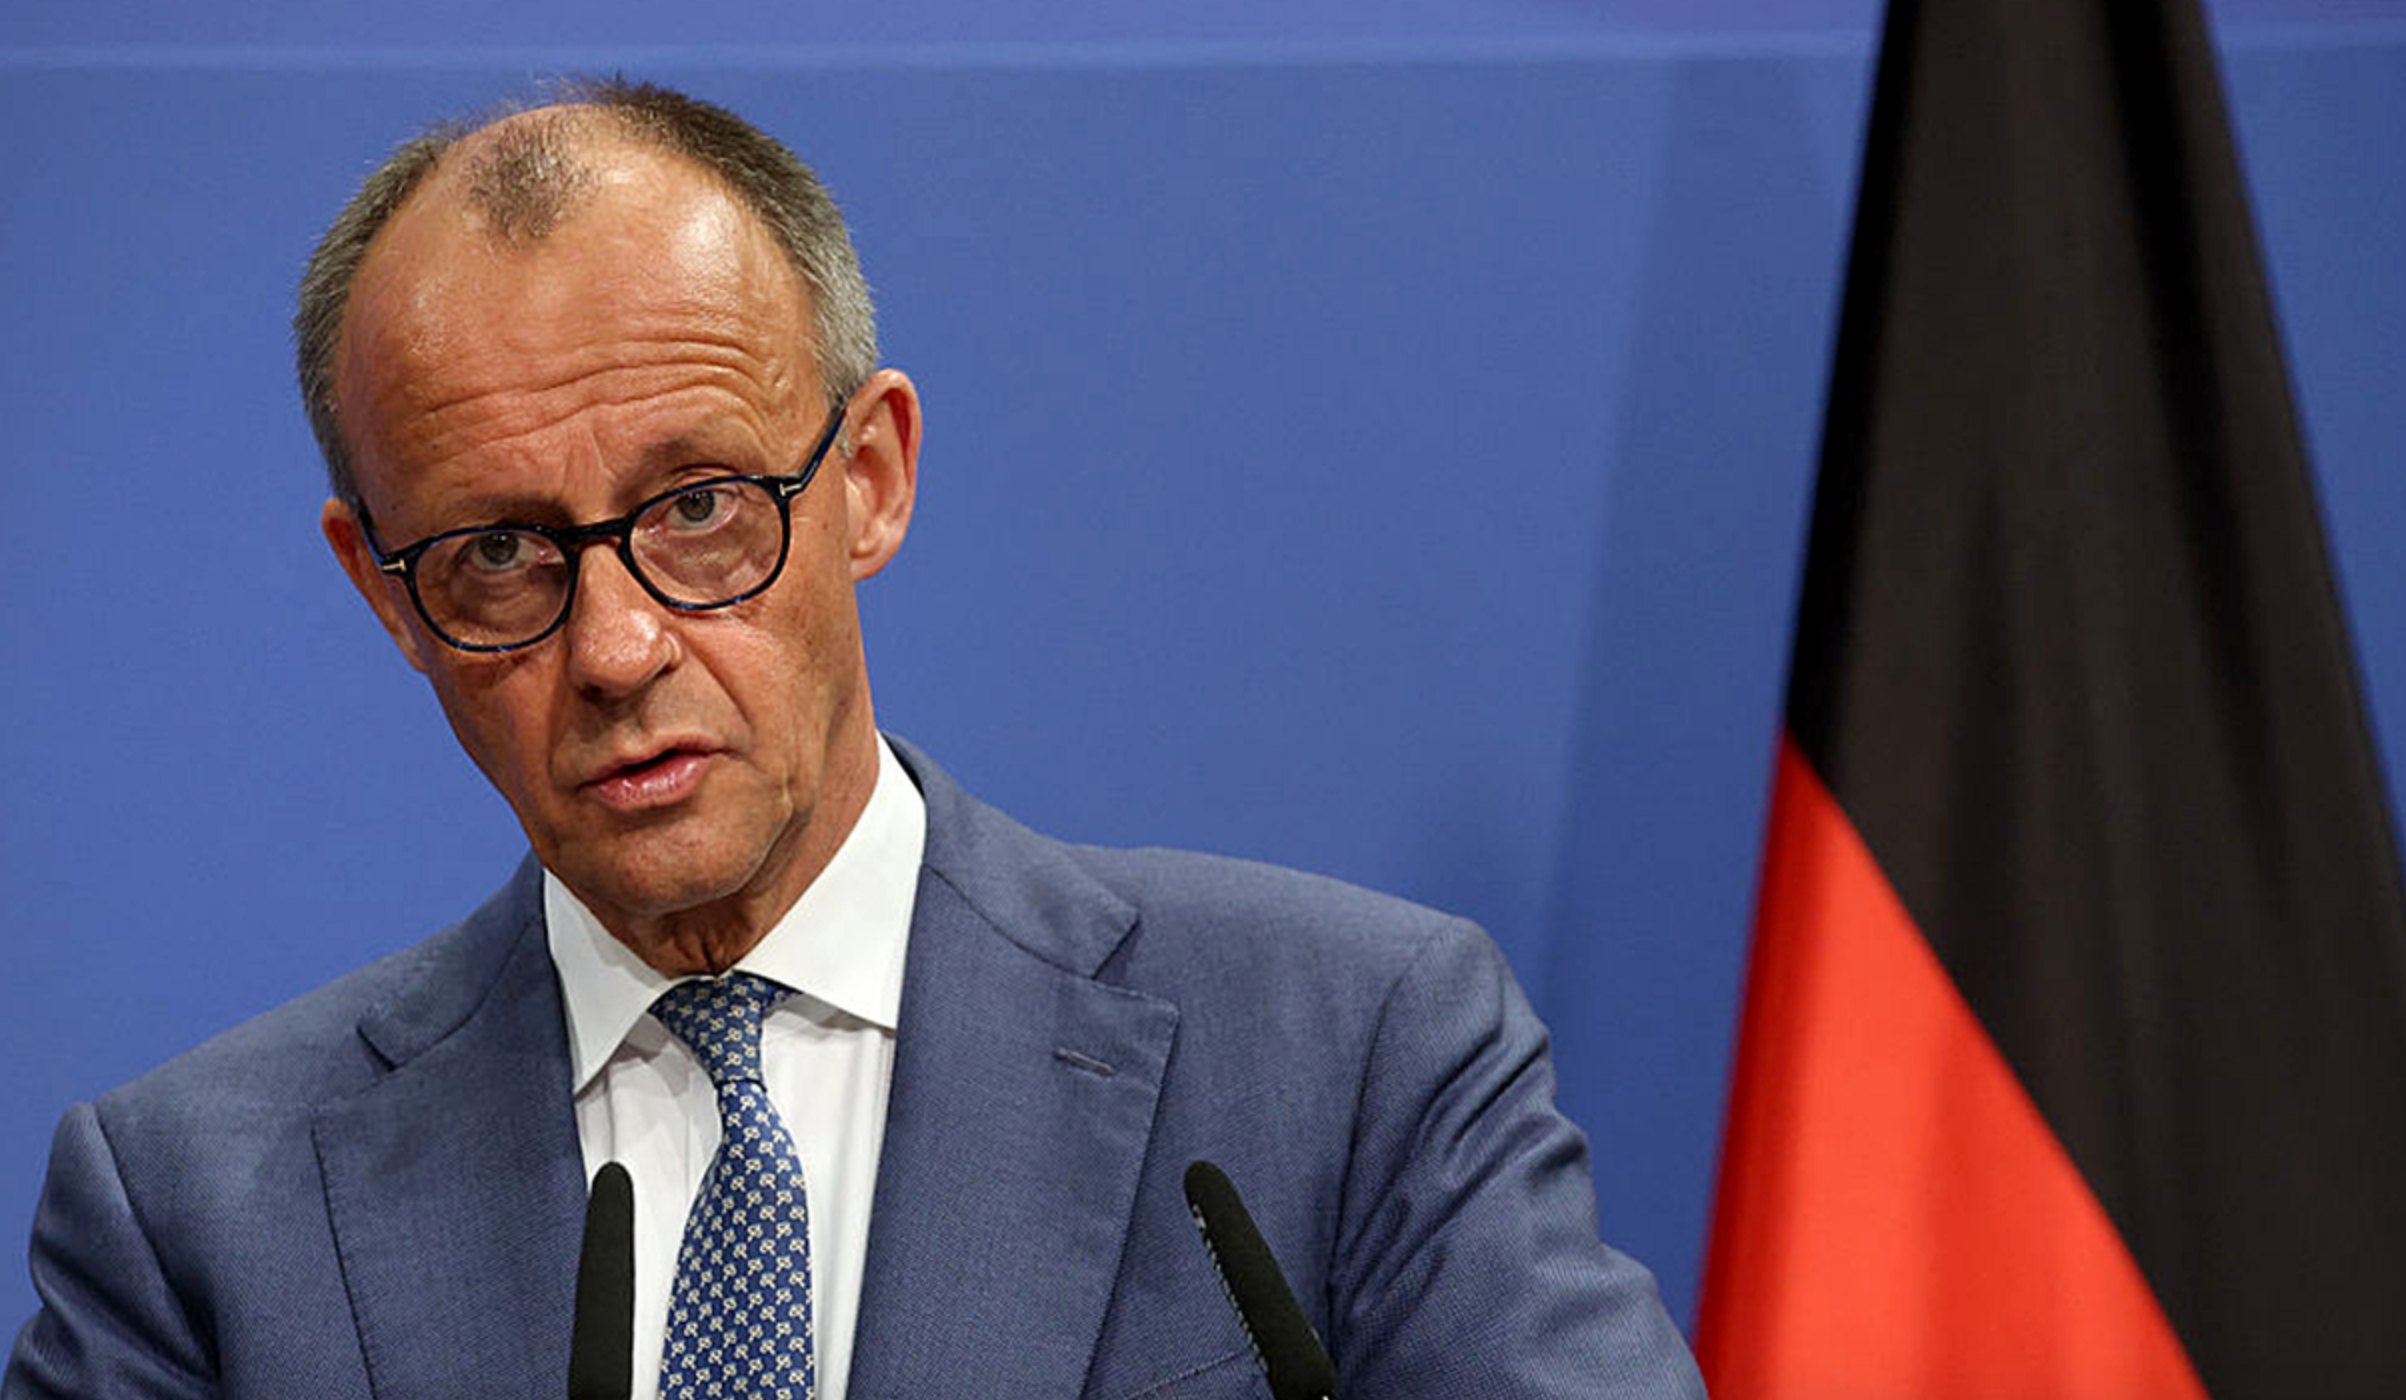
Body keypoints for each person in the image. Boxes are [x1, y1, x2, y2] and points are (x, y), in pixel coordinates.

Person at [2, 80, 1704, 1400]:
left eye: (698, 508)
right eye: (499, 553)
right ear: (384, 592)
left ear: (870, 479)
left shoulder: (1345, 1059)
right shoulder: (194, 1216)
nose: (615, 649)